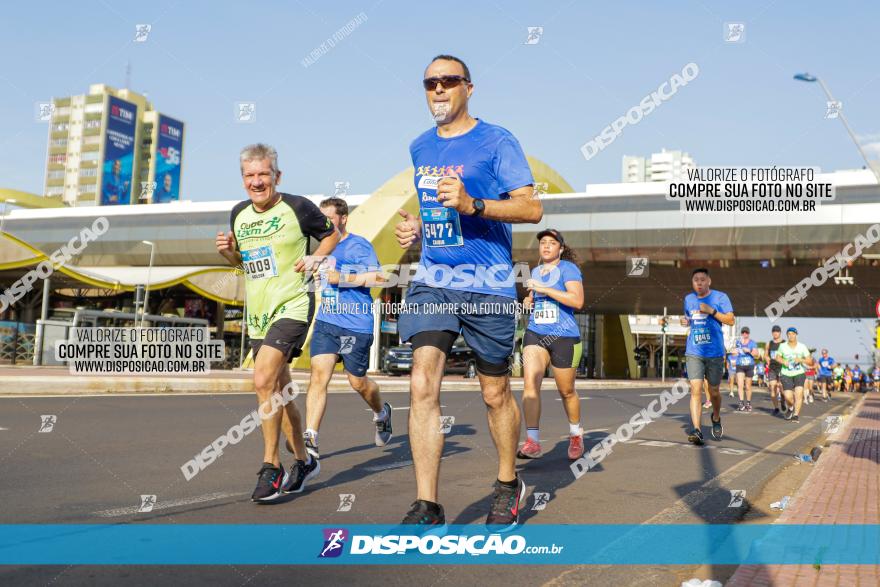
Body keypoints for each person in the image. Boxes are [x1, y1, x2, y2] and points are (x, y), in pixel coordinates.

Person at [394, 54, 541, 530]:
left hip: (489, 284)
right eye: (429, 83)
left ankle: (506, 484)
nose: (438, 89)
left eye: (448, 81)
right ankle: (427, 504)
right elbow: (441, 211)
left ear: (468, 88)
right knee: (421, 383)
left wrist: (473, 203)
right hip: (434, 279)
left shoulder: (497, 140)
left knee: (495, 392)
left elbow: (531, 209)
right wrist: (420, 229)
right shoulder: (419, 146)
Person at [217, 143, 339, 501]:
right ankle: (303, 460)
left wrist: (317, 257)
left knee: (262, 379)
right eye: (250, 176)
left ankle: (272, 466)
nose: (257, 182)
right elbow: (241, 263)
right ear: (243, 179)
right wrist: (227, 251)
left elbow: (330, 234)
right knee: (281, 391)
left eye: (263, 175)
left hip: (293, 303)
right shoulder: (239, 214)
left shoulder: (298, 207)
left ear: (277, 176)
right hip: (259, 311)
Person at [295, 197, 393, 460]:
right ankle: (311, 438)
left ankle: (381, 413)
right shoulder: (321, 248)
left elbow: (381, 277)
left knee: (357, 382)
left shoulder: (358, 244)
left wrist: (345, 278)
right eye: (321, 218)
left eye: (330, 218)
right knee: (318, 376)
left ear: (344, 218)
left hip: (355, 324)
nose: (324, 223)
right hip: (327, 322)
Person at [517, 228, 585, 461]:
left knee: (566, 391)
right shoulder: (536, 270)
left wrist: (544, 288)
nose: (546, 246)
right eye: (543, 242)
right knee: (530, 384)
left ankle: (576, 434)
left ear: (561, 248)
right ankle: (533, 441)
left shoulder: (569, 269)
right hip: (536, 333)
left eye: (552, 243)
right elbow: (536, 300)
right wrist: (529, 301)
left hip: (564, 336)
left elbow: (577, 300)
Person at [680, 268, 735, 445]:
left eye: (702, 279)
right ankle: (697, 430)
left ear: (709, 281)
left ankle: (716, 417)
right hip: (694, 351)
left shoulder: (721, 297)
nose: (699, 283)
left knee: (714, 392)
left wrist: (712, 311)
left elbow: (731, 320)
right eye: (696, 280)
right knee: (695, 390)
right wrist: (685, 321)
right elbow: (690, 318)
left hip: (715, 352)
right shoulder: (689, 299)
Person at [777, 327, 813, 424]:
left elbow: (809, 361)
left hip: (799, 373)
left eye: (793, 334)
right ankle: (791, 407)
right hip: (786, 374)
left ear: (796, 335)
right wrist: (783, 361)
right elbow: (777, 357)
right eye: (789, 334)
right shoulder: (782, 346)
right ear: (787, 335)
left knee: (799, 394)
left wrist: (801, 360)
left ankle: (796, 415)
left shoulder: (802, 346)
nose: (791, 335)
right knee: (788, 397)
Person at [731, 326, 758, 412]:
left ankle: (748, 403)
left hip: (749, 365)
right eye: (743, 332)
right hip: (740, 365)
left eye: (746, 332)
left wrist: (748, 351)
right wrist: (734, 352)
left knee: (748, 386)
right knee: (740, 384)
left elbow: (756, 354)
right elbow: (734, 352)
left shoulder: (752, 343)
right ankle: (741, 402)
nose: (744, 334)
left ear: (748, 334)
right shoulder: (738, 342)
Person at [765, 325, 784, 416]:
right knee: (773, 387)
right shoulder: (769, 343)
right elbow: (766, 354)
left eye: (777, 331)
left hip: (782, 368)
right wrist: (767, 359)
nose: (775, 333)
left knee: (781, 387)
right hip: (772, 368)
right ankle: (776, 408)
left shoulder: (784, 343)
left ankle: (783, 398)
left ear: (780, 333)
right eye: (774, 331)